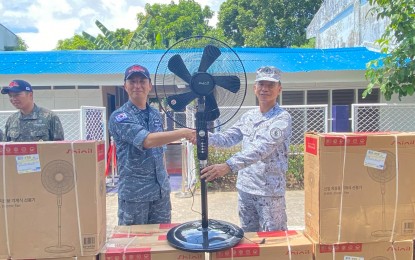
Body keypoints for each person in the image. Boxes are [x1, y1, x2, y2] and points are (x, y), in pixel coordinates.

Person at [200, 66, 292, 232]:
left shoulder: (282, 118)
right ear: (255, 88)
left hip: (269, 192)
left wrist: (228, 166)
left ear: (279, 89)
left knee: (273, 241)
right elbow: (227, 138)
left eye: (270, 85)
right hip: (245, 189)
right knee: (249, 239)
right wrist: (203, 136)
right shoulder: (248, 116)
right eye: (261, 84)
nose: (265, 89)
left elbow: (261, 148)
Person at [108, 64, 196, 225]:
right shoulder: (120, 116)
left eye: (142, 81)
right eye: (132, 81)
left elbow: (160, 150)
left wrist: (165, 180)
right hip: (135, 196)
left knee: (160, 242)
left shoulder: (155, 114)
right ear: (125, 86)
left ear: (150, 86)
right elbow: (147, 141)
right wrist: (183, 132)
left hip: (160, 193)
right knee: (134, 245)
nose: (137, 86)